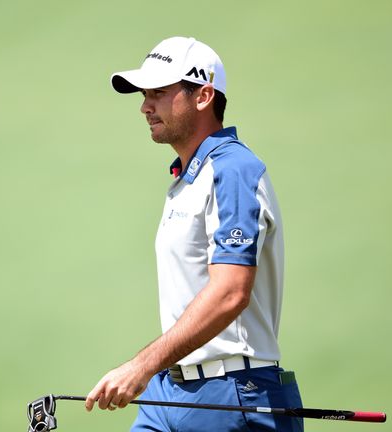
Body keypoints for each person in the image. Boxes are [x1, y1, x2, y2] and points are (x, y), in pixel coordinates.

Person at [85, 36, 303, 432]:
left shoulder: (233, 169)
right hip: (168, 392)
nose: (144, 106)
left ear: (203, 96)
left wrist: (142, 364)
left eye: (159, 93)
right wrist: (153, 372)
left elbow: (230, 292)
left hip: (234, 394)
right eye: (144, 94)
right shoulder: (186, 177)